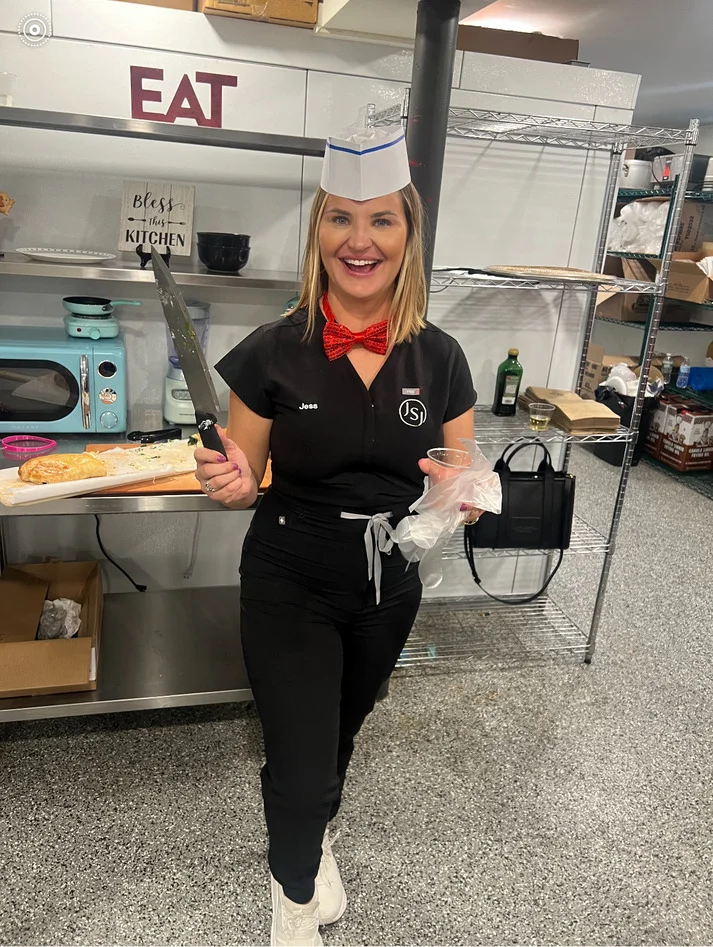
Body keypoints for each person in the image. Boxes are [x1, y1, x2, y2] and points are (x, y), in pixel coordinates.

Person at [194, 126, 478, 946]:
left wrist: (465, 492)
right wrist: (233, 481)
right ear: (318, 233)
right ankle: (290, 892)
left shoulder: (443, 355)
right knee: (301, 749)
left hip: (390, 582)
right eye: (341, 220)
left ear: (407, 237)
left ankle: (316, 835)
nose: (360, 240)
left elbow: (456, 468)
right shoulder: (272, 351)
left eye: (381, 221)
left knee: (341, 731)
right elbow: (239, 478)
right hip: (291, 570)